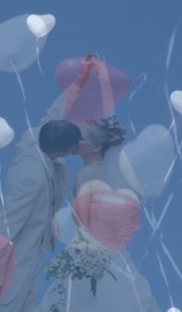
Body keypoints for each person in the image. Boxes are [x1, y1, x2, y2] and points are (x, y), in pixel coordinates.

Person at [0, 55, 95, 312]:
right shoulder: (31, 179)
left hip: (32, 254)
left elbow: (55, 112)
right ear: (63, 151)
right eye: (73, 147)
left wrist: (79, 81)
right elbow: (5, 225)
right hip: (14, 262)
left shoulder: (41, 135)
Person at [37, 115, 162, 312]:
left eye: (81, 139)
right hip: (115, 250)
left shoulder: (83, 175)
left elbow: (83, 224)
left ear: (96, 147)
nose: (75, 141)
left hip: (88, 250)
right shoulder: (121, 173)